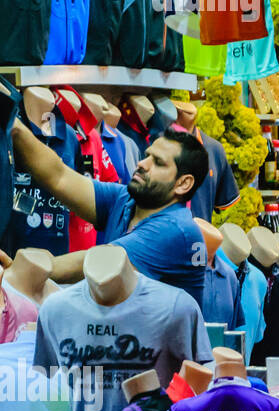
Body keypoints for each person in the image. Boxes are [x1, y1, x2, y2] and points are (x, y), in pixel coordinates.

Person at [9, 123, 208, 308]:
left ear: (183, 183)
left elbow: (100, 262)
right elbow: (59, 176)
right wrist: (13, 126)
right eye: (147, 155)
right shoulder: (125, 199)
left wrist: (20, 270)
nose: (142, 163)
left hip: (163, 345)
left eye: (158, 163)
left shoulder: (177, 229)